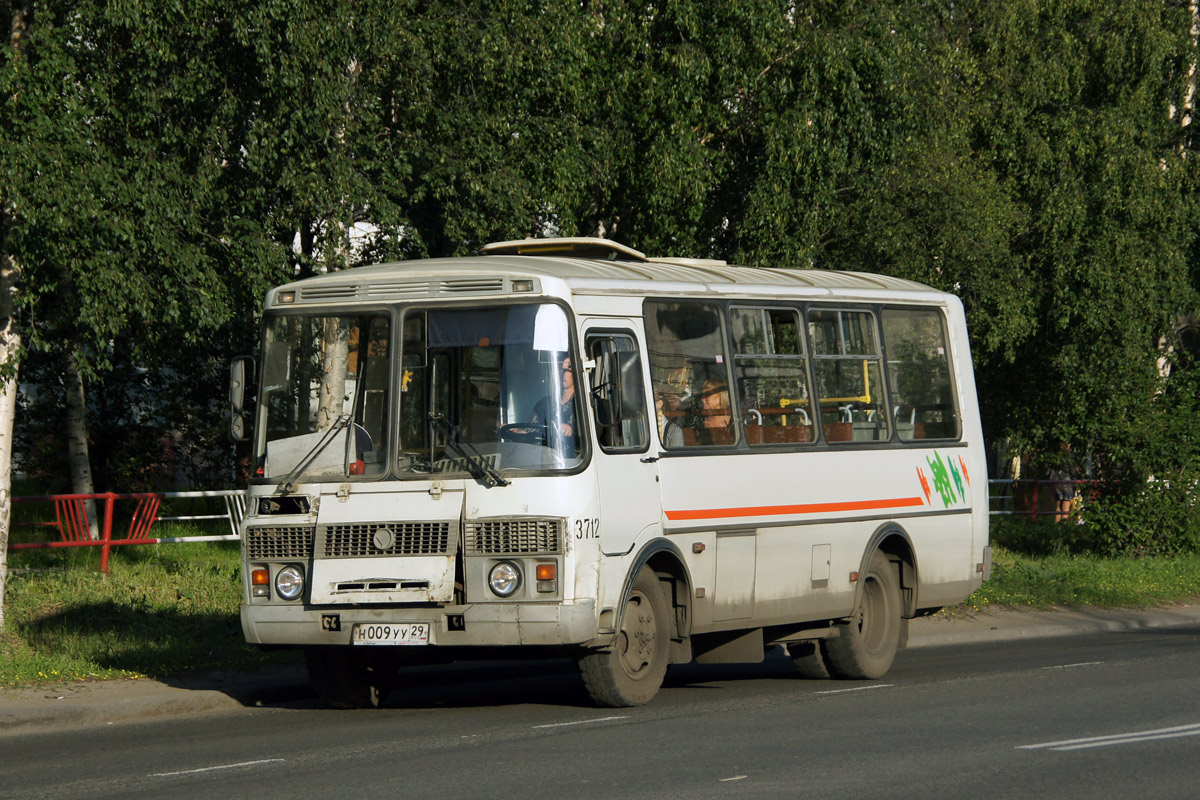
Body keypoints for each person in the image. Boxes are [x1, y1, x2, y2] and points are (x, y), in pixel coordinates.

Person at [528, 355, 579, 453]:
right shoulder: (544, 404)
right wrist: (517, 431)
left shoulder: (586, 404)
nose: (562, 372)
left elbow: (595, 432)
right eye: (560, 368)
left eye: (568, 368)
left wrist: (573, 430)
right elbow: (530, 428)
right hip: (547, 460)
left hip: (578, 461)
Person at [692, 378, 733, 445]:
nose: (702, 399)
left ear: (721, 395)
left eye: (707, 394)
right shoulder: (699, 420)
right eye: (702, 395)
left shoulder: (735, 421)